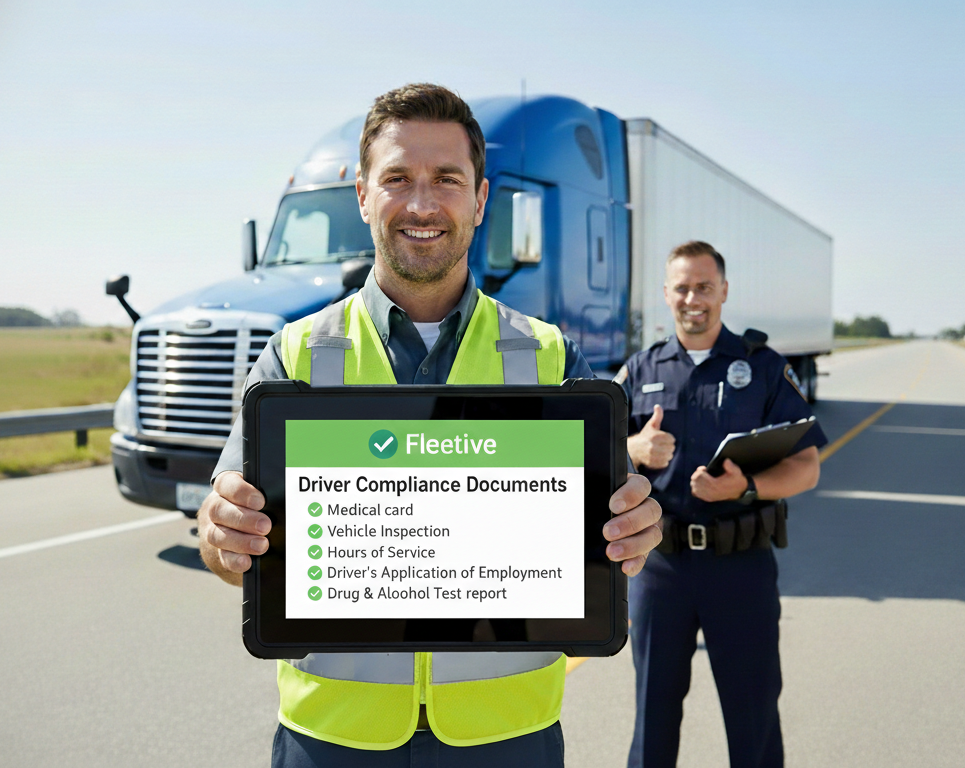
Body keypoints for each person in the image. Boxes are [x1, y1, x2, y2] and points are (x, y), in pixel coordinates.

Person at [197, 83, 662, 768]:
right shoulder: (291, 354)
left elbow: (608, 542)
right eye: (397, 179)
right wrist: (221, 535)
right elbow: (227, 549)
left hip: (506, 738)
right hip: (333, 738)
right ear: (361, 195)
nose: (421, 204)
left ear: (479, 200)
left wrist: (632, 533)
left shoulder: (552, 357)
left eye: (446, 179)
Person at [615, 240, 828, 768]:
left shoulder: (762, 368)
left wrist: (745, 488)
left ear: (724, 292)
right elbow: (589, 457)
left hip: (741, 567)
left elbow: (806, 467)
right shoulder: (639, 370)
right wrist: (631, 448)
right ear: (666, 294)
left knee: (752, 717)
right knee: (652, 716)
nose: (694, 298)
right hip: (659, 569)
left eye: (704, 287)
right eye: (682, 288)